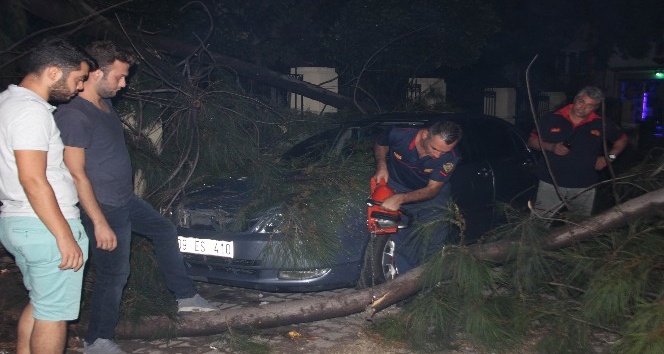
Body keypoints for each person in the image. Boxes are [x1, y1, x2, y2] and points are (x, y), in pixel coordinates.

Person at [54, 41, 216, 354]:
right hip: (102, 206)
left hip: (123, 199)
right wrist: (99, 222)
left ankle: (185, 297)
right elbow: (75, 173)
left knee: (164, 230)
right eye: (119, 77)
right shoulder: (74, 115)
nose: (124, 84)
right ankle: (98, 340)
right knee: (115, 273)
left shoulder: (104, 104)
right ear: (97, 73)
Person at [0, 39, 90, 354]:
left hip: (21, 221)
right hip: (46, 226)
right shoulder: (29, 111)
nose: (80, 87)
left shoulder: (7, 103)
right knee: (53, 315)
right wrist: (64, 235)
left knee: (42, 304)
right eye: (78, 79)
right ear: (53, 72)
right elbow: (32, 178)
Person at [528, 86, 628, 224]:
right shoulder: (552, 118)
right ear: (575, 99)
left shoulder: (601, 123)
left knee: (579, 226)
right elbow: (532, 141)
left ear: (596, 108)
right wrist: (551, 147)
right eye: (581, 102)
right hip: (551, 183)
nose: (583, 108)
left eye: (589, 106)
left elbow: (621, 139)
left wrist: (609, 158)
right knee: (539, 224)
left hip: (583, 186)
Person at [373, 120, 462, 273]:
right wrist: (382, 164)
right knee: (400, 238)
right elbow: (381, 143)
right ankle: (405, 282)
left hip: (433, 197)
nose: (437, 155)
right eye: (434, 148)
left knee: (432, 241)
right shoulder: (399, 133)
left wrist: (401, 198)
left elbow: (432, 190)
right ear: (425, 134)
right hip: (399, 185)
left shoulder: (451, 157)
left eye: (443, 152)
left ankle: (428, 282)